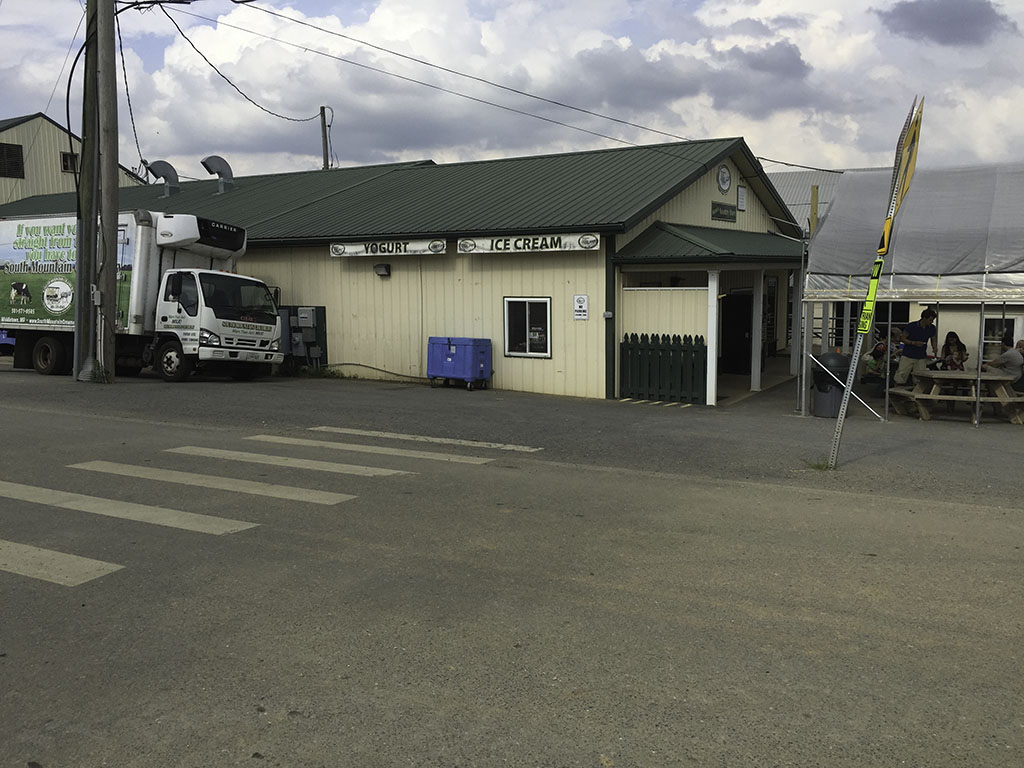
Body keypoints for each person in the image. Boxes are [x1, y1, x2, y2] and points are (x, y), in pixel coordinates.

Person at [893, 308, 938, 386]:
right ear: (924, 318)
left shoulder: (932, 328)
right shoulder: (911, 326)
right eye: (930, 320)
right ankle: (896, 392)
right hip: (908, 355)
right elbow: (903, 338)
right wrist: (913, 343)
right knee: (901, 375)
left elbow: (933, 339)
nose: (931, 322)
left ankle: (917, 393)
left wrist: (934, 347)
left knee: (920, 378)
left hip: (921, 356)